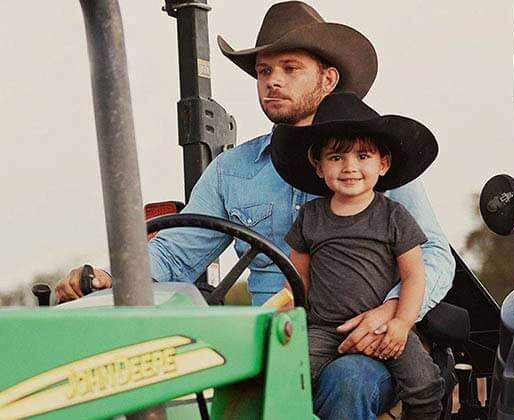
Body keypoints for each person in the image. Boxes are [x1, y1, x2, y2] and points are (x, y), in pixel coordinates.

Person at [55, 2, 455, 419]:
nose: (272, 82)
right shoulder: (233, 170)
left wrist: (391, 313)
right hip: (273, 339)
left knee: (349, 380)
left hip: (368, 343)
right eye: (264, 72)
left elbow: (433, 256)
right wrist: (113, 278)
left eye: (289, 68)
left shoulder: (374, 164)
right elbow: (177, 254)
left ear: (328, 79)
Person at [271, 91, 445, 419]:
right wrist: (289, 320)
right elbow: (297, 281)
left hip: (384, 326)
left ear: (383, 163)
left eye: (363, 156)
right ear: (318, 166)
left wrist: (402, 323)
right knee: (284, 375)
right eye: (336, 158)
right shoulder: (310, 217)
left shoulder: (394, 216)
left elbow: (414, 276)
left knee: (425, 383)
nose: (350, 167)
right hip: (324, 329)